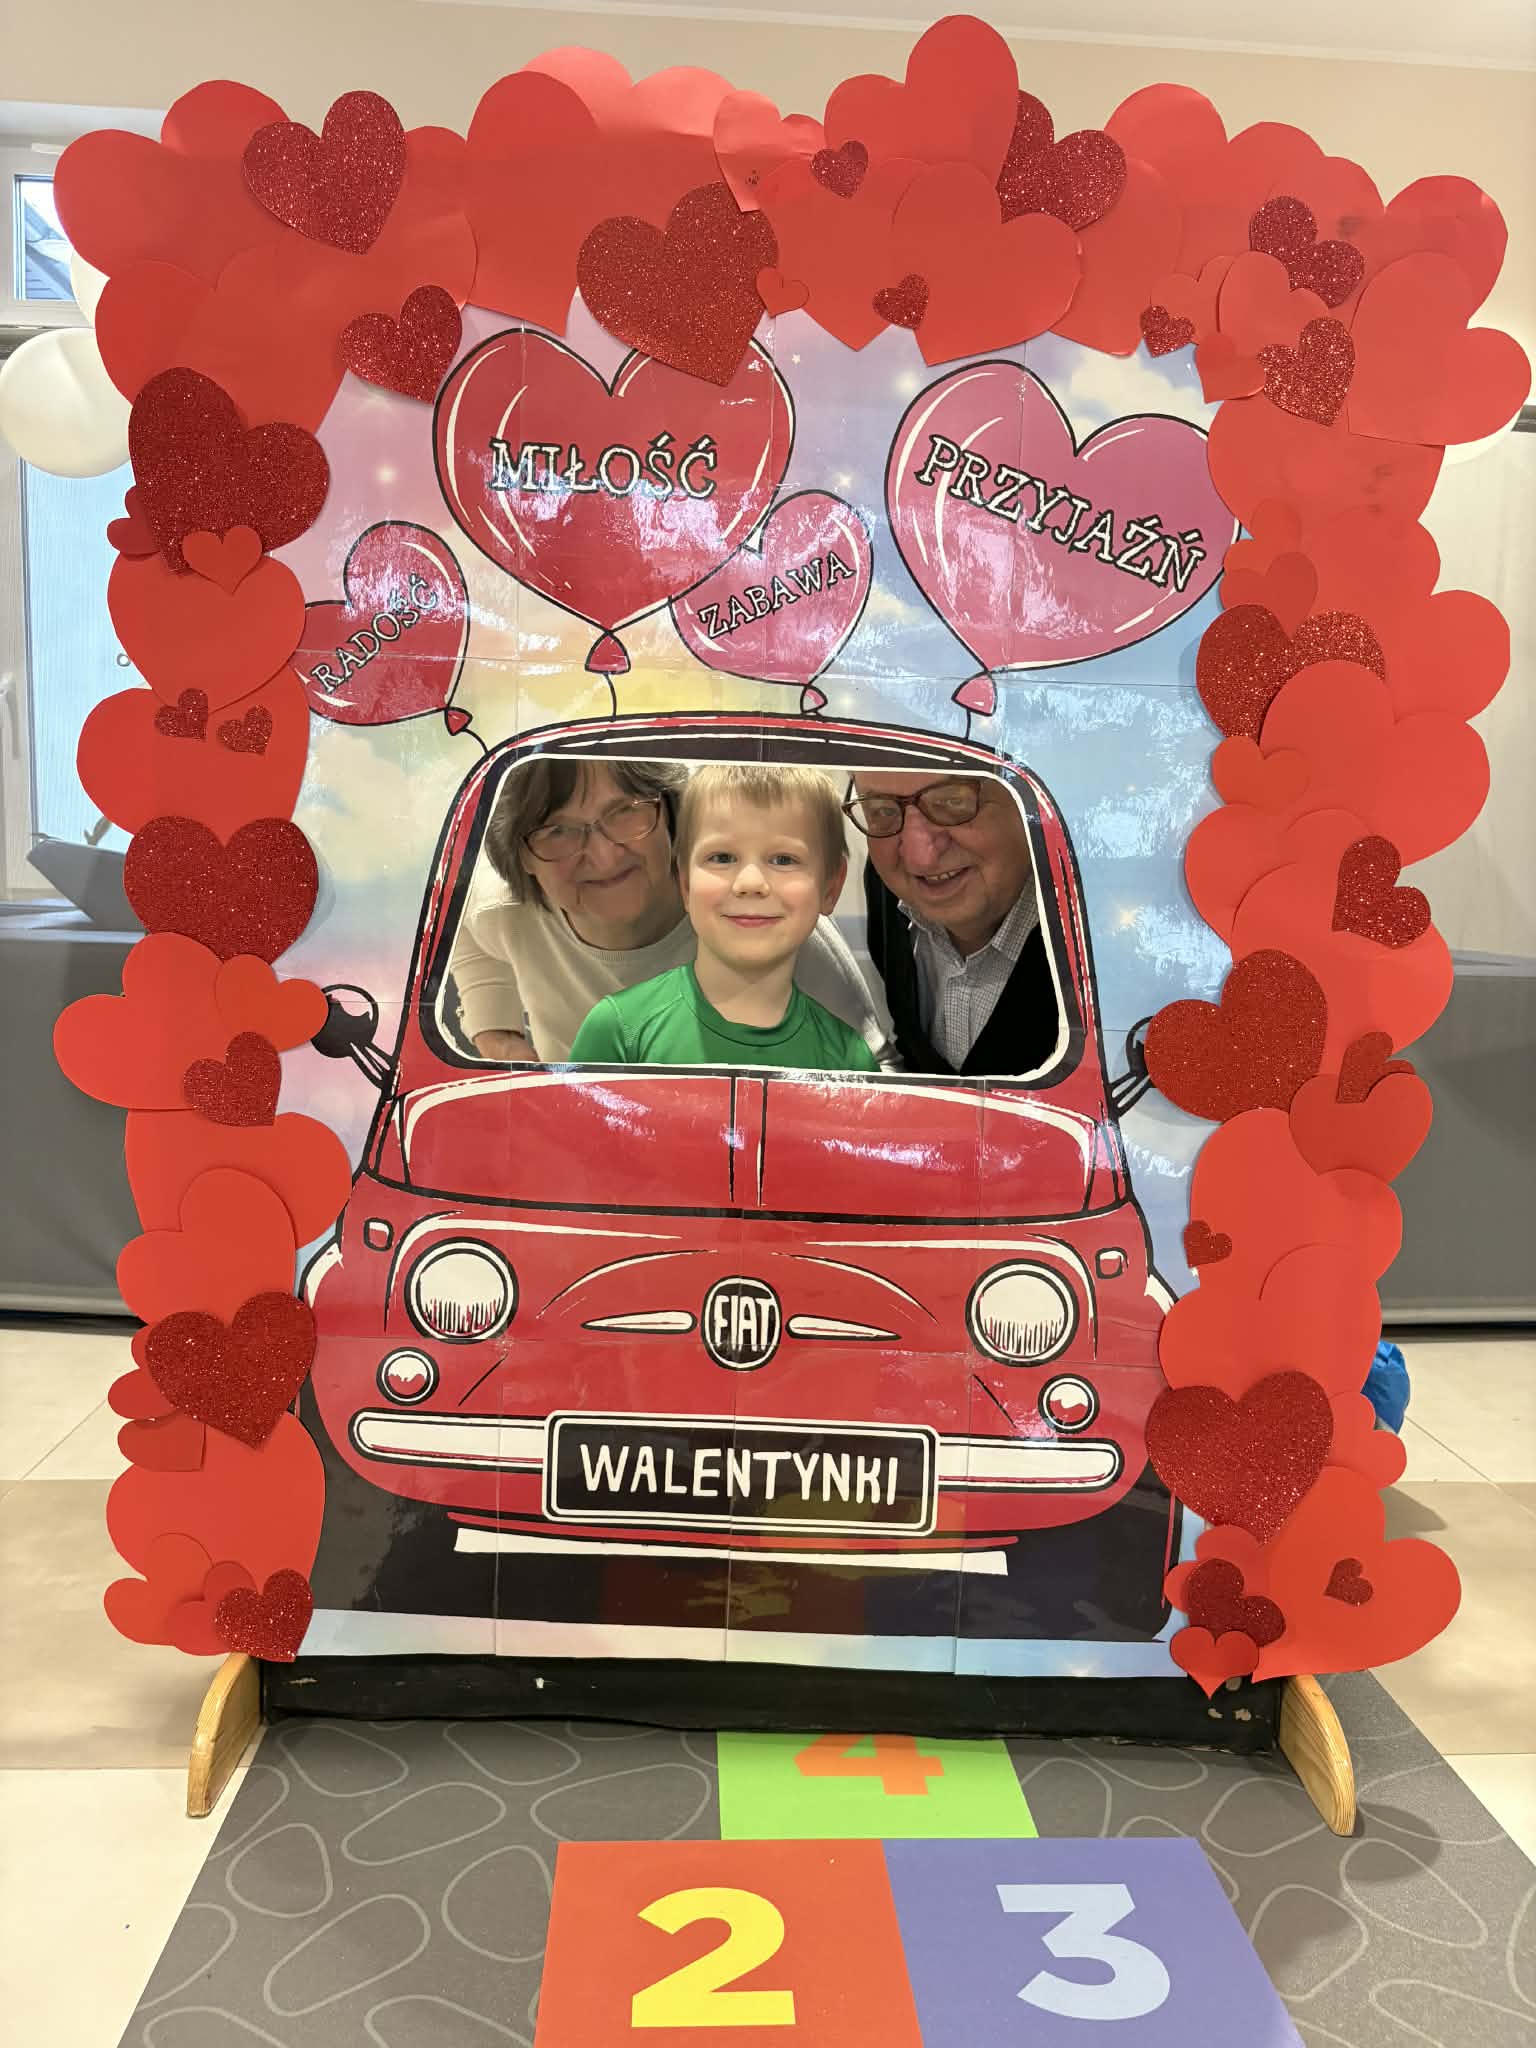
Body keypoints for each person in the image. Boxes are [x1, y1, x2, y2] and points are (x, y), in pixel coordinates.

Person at [448, 758, 891, 1065]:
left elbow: (874, 1069)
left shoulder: (757, 921)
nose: (603, 856)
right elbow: (467, 925)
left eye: (625, 811)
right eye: (558, 831)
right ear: (522, 856)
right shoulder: (502, 909)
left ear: (670, 812)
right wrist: (496, 1032)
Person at [570, 765, 880, 1072]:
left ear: (831, 887)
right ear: (685, 883)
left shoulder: (850, 1060)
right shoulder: (618, 1034)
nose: (750, 883)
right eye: (721, 858)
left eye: (784, 860)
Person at [846, 769, 1060, 1076]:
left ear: (1033, 802)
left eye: (952, 801)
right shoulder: (886, 890)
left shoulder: (1103, 943)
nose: (920, 858)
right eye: (882, 810)